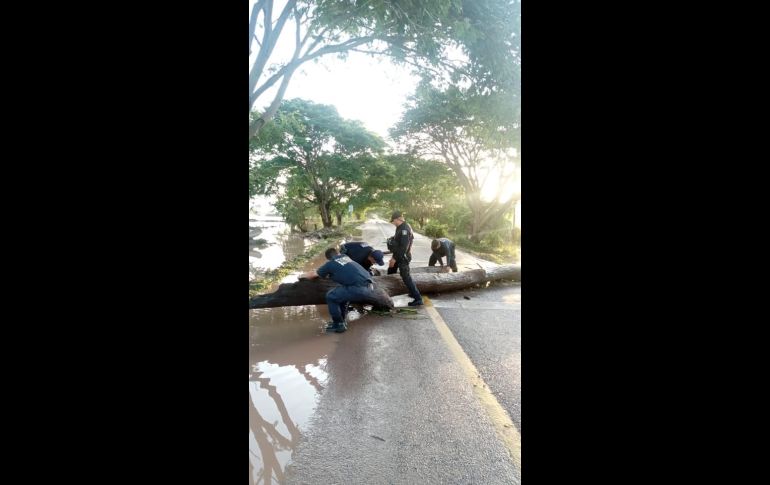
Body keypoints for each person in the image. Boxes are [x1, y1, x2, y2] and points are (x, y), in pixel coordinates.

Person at [300, 247, 380, 333]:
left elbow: (313, 275)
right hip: (370, 285)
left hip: (358, 288)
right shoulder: (346, 257)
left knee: (331, 296)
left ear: (328, 258)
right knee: (341, 295)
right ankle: (342, 320)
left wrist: (302, 276)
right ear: (337, 253)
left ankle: (338, 324)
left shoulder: (330, 264)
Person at [387, 211, 424, 306]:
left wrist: (394, 259)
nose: (393, 223)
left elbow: (403, 247)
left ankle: (418, 298)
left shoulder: (405, 229)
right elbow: (397, 243)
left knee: (406, 278)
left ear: (397, 219)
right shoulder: (400, 227)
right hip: (398, 255)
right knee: (390, 271)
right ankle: (388, 294)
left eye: (393, 221)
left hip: (402, 257)